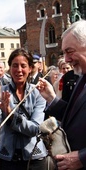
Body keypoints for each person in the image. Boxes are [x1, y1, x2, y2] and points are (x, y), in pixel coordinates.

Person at [0, 48, 47, 170]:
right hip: (7, 158)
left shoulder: (38, 93)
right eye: (15, 65)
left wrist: (10, 113)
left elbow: (34, 129)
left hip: (34, 158)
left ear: (30, 68)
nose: (19, 70)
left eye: (23, 66)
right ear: (10, 68)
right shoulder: (1, 92)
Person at [37, 20, 86, 170]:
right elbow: (74, 115)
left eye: (70, 52)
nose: (66, 60)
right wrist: (52, 99)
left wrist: (83, 158)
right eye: (64, 53)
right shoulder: (81, 78)